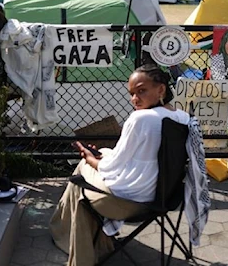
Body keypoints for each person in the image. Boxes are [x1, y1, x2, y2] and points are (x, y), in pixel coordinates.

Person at [49, 64, 190, 266]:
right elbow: (133, 158)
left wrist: (90, 159)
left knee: (80, 179)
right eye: (132, 93)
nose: (135, 99)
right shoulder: (183, 118)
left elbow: (113, 167)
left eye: (141, 91)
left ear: (161, 89)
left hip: (129, 202)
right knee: (103, 155)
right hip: (165, 196)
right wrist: (100, 157)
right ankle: (85, 239)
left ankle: (70, 239)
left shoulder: (140, 118)